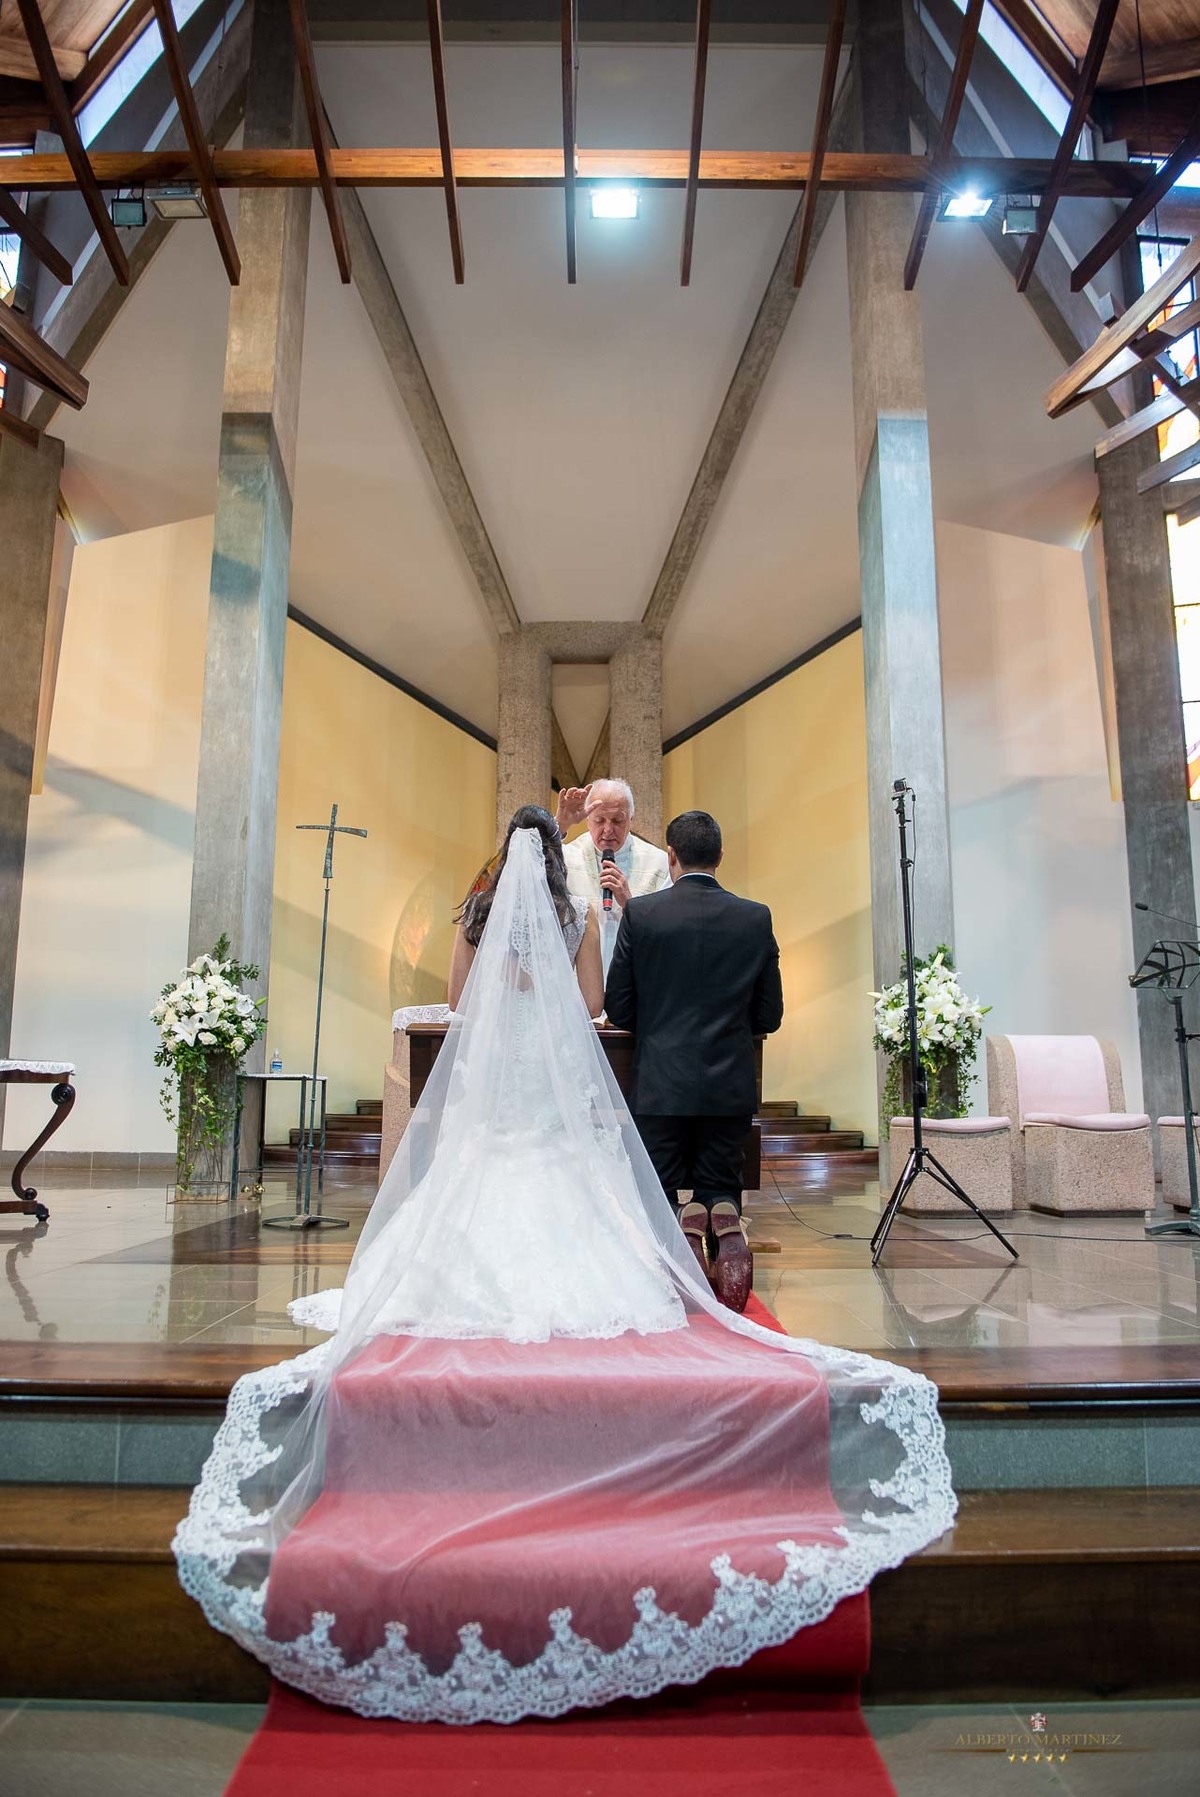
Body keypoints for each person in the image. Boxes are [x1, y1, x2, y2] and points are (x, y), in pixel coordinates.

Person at [175, 814, 955, 1725]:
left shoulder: (473, 914)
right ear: (557, 856)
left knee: (481, 1173)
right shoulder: (578, 915)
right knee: (566, 1175)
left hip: (492, 1081)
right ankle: (715, 1219)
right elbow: (593, 1012)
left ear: (498, 856)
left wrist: (502, 1022)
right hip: (551, 1083)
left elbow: (461, 1013)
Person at [604, 810, 783, 1312]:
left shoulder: (643, 915)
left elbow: (619, 1007)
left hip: (661, 1084)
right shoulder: (755, 916)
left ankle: (675, 1257)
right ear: (720, 857)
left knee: (660, 1189)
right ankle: (722, 1216)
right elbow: (769, 1013)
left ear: (671, 857)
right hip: (728, 1086)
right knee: (720, 1180)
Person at [555, 778, 669, 976]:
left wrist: (630, 904)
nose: (608, 830)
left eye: (617, 820)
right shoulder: (566, 858)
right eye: (599, 820)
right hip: (576, 984)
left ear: (631, 819)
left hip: (634, 983)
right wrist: (560, 825)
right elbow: (526, 868)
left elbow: (667, 934)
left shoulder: (659, 864)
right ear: (587, 818)